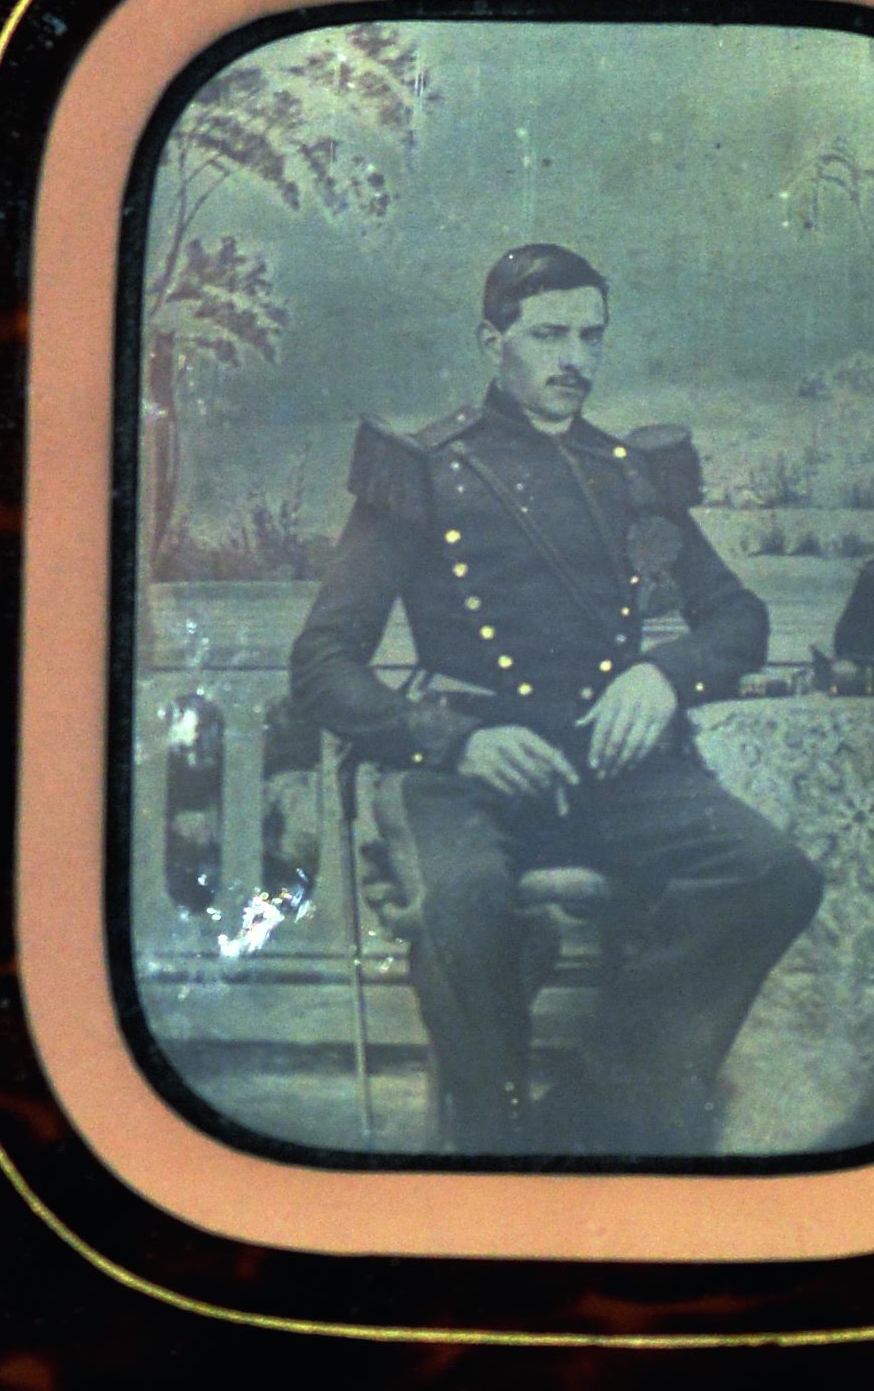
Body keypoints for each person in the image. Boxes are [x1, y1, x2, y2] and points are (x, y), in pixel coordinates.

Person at [290, 244, 823, 1155]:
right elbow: (321, 661)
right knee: (464, 905)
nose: (574, 358)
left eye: (591, 336)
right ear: (491, 341)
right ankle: (496, 1145)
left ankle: (591, 1117)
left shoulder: (629, 475)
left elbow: (738, 617)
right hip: (466, 769)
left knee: (774, 874)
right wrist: (451, 741)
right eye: (548, 335)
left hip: (610, 768)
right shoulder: (421, 470)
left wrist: (664, 676)